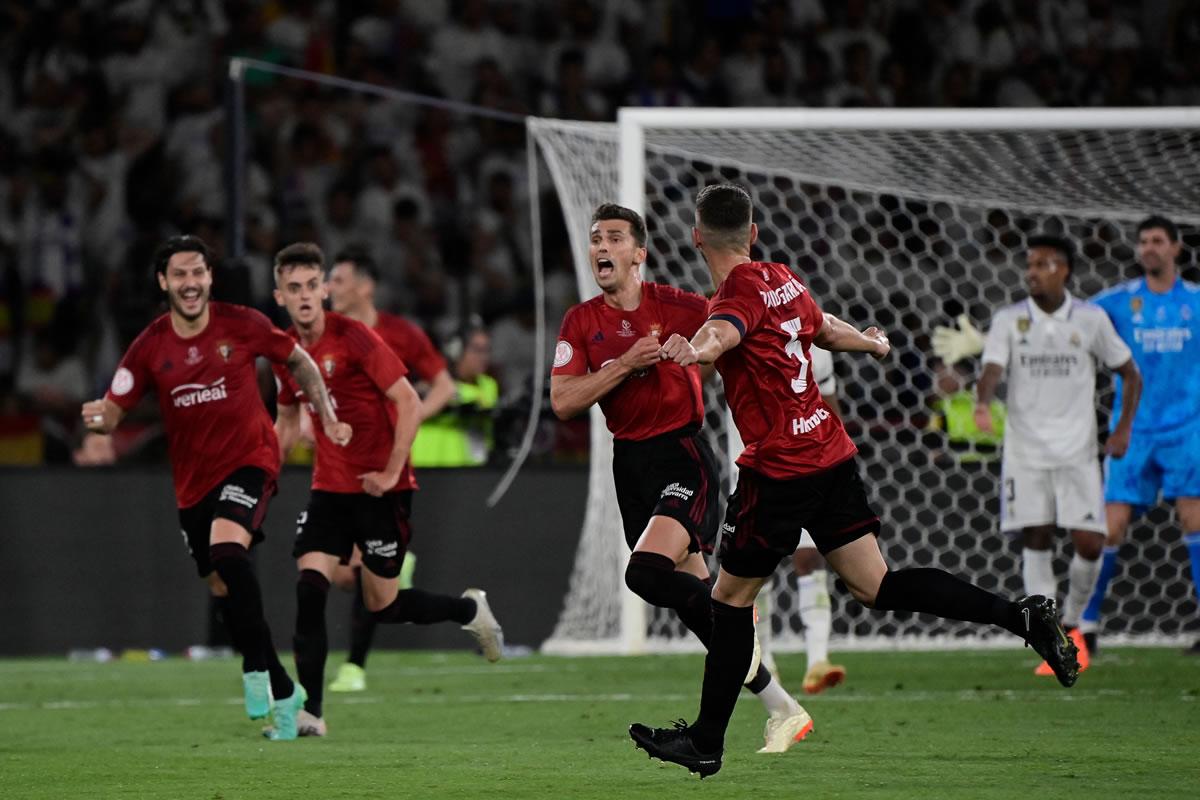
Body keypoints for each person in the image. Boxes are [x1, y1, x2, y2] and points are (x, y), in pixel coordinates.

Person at [632, 184, 1079, 779]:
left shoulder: (734, 294)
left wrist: (696, 349)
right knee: (876, 584)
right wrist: (870, 341)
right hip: (830, 454)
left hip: (779, 470)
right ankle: (1018, 615)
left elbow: (725, 331)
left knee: (730, 600)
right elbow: (823, 327)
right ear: (754, 233)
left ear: (695, 236)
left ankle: (708, 742)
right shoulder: (781, 277)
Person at [550, 203, 812, 755]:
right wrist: (624, 365)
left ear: (638, 253)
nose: (602, 246)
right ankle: (782, 707)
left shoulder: (683, 305)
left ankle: (737, 628)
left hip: (683, 457)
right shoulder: (580, 321)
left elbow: (738, 339)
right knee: (703, 614)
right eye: (596, 237)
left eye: (615, 238)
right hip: (631, 467)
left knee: (644, 574)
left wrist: (697, 356)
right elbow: (563, 401)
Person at [81, 234, 350, 741]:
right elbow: (113, 409)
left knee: (228, 547)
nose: (190, 284)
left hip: (251, 460)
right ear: (163, 282)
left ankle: (261, 671)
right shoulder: (150, 346)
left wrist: (328, 416)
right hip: (192, 486)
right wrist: (98, 421)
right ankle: (280, 688)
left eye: (198, 273)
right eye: (180, 274)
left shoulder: (243, 325)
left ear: (209, 277)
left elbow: (299, 361)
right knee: (223, 585)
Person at [270, 242, 503, 737]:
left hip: (384, 491)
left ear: (325, 289)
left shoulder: (356, 337)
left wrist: (390, 471)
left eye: (314, 285)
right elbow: (287, 420)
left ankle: (468, 609)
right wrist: (263, 473)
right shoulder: (284, 353)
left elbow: (409, 402)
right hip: (329, 490)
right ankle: (310, 711)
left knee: (385, 605)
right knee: (309, 589)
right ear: (280, 297)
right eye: (296, 288)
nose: (307, 295)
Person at [973, 235, 1141, 675]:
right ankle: (1050, 637)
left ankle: (1074, 623)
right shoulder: (1009, 320)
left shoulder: (1090, 319)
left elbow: (1130, 373)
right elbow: (992, 368)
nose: (1032, 271)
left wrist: (1122, 428)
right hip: (1026, 452)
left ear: (1064, 270)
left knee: (1090, 541)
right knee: (1037, 537)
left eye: (1044, 264)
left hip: (1077, 452)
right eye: (1030, 264)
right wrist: (981, 402)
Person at [322, 248, 457, 693]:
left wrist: (410, 421)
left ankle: (354, 667)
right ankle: (401, 561)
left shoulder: (399, 333)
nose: (329, 289)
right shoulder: (327, 336)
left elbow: (444, 385)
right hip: (339, 464)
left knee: (360, 570)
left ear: (364, 286)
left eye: (337, 280)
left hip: (384, 467)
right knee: (344, 575)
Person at [1082, 216, 1200, 654]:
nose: (1149, 248)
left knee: (1195, 520)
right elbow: (1072, 322)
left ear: (1175, 248)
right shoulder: (1117, 302)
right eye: (1143, 242)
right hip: (1131, 430)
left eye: (1157, 241)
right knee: (1109, 528)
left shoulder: (1196, 302)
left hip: (1188, 428)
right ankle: (1086, 627)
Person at [410, 327, 499, 467]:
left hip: (470, 464)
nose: (483, 357)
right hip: (427, 462)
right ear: (456, 351)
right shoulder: (433, 383)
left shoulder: (489, 385)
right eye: (477, 349)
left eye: (487, 350)